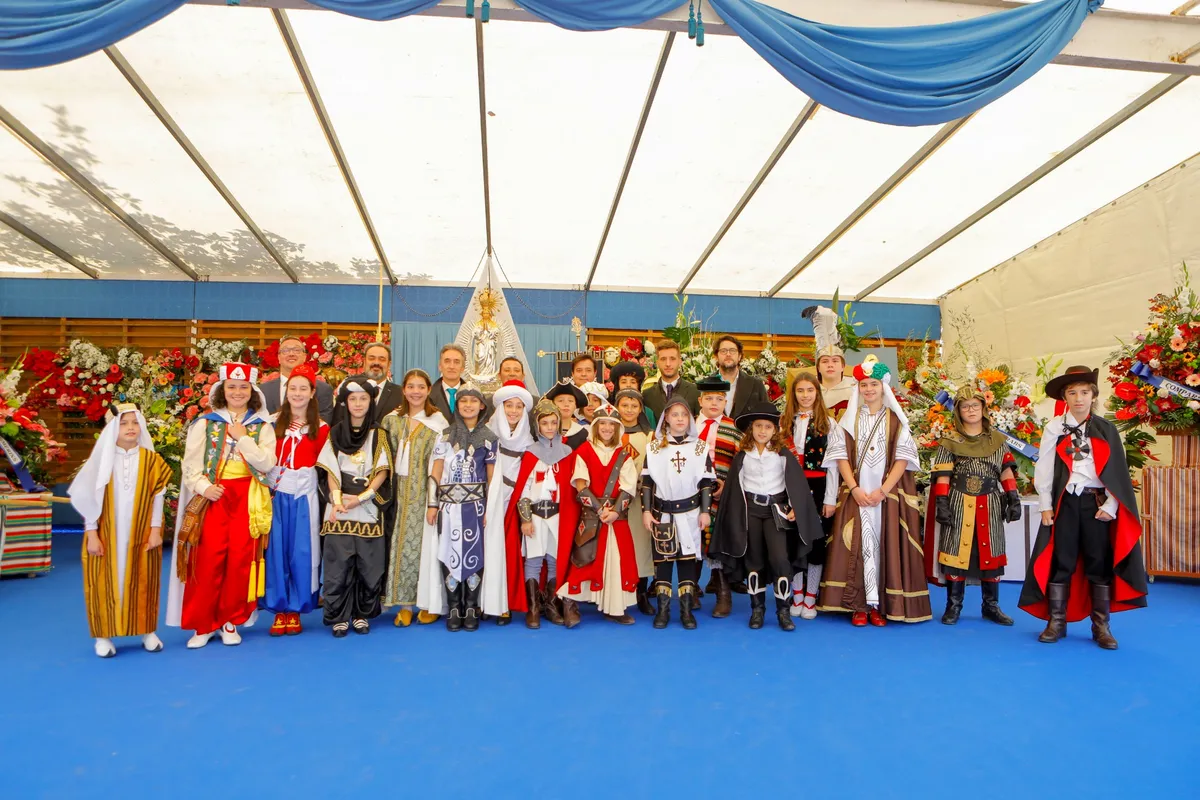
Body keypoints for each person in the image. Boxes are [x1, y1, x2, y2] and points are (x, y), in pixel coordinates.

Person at [1019, 366, 1147, 650]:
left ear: (1093, 395)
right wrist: (1045, 504)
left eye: (1085, 392)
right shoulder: (1054, 428)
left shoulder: (1106, 429)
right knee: (1061, 560)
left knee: (1098, 562)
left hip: (1095, 504)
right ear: (1064, 396)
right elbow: (1045, 468)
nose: (1079, 398)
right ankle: (1057, 621)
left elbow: (1117, 471)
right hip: (1065, 503)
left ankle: (1101, 625)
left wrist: (1111, 505)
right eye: (1073, 392)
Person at [167, 362, 277, 648]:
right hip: (214, 498)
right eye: (232, 387)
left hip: (247, 500)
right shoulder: (205, 423)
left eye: (243, 387)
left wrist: (243, 439)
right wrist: (205, 487)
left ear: (252, 391)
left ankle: (230, 621)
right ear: (222, 390)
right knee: (207, 560)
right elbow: (190, 465)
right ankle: (203, 624)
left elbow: (267, 463)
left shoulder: (262, 426)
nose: (238, 392)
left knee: (239, 561)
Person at [819, 356, 931, 626]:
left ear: (883, 387)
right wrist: (855, 489)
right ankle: (858, 605)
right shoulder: (848, 420)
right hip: (857, 495)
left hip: (885, 497)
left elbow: (903, 459)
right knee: (859, 545)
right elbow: (840, 457)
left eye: (874, 384)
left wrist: (882, 491)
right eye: (864, 385)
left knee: (884, 546)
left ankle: (879, 605)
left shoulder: (896, 421)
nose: (868, 389)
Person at [70, 404, 172, 658]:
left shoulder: (153, 461)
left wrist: (156, 530)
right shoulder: (101, 461)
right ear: (113, 428)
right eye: (124, 423)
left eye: (135, 423)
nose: (130, 428)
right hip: (106, 532)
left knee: (145, 579)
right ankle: (103, 636)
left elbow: (158, 498)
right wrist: (92, 533)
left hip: (142, 532)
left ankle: (148, 631)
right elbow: (89, 500)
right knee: (102, 581)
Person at [710, 402, 820, 631]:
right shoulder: (742, 457)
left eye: (768, 427)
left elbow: (796, 484)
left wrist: (795, 506)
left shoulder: (782, 455)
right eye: (758, 426)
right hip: (750, 511)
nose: (762, 431)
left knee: (780, 559)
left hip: (775, 512)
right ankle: (757, 609)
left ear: (775, 430)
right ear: (751, 428)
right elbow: (734, 489)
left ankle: (783, 611)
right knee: (754, 561)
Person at [926, 387, 1022, 626]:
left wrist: (1013, 497)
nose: (971, 410)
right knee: (955, 552)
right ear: (958, 411)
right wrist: (942, 503)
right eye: (965, 406)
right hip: (959, 502)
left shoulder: (997, 440)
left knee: (991, 552)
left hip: (990, 502)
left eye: (975, 406)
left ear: (983, 409)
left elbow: (1006, 471)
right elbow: (943, 475)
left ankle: (991, 607)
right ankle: (953, 606)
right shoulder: (949, 441)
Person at [317, 377, 393, 637]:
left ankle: (361, 614)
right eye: (353, 399)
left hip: (367, 505)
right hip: (340, 506)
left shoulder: (378, 434)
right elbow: (330, 470)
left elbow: (382, 470)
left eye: (363, 399)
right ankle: (339, 615)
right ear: (345, 403)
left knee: (369, 565)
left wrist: (362, 497)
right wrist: (338, 500)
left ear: (371, 402)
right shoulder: (335, 432)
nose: (358, 404)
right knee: (338, 566)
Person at [557, 405, 640, 627]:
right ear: (595, 426)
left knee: (618, 562)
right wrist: (601, 510)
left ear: (618, 428)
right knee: (585, 561)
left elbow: (629, 487)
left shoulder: (624, 455)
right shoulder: (584, 451)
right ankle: (569, 603)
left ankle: (614, 607)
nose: (607, 428)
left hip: (616, 519)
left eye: (612, 424)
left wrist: (615, 512)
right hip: (592, 518)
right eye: (602, 423)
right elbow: (580, 486)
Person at [641, 395, 717, 630]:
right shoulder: (654, 447)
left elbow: (706, 482)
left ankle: (686, 611)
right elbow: (647, 483)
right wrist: (646, 511)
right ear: (666, 418)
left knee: (686, 560)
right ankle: (663, 611)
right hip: (663, 512)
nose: (680, 419)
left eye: (684, 415)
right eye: (675, 415)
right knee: (664, 561)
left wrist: (705, 512)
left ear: (690, 419)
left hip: (690, 512)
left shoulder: (700, 447)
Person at [381, 369, 449, 627]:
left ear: (429, 390)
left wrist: (433, 500)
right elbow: (382, 457)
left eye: (421, 387)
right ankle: (404, 605)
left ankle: (429, 603)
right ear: (404, 389)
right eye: (411, 386)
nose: (416, 392)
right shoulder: (391, 420)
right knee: (398, 548)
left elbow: (440, 463)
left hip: (423, 494)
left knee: (426, 548)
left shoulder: (437, 423)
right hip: (395, 495)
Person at [427, 384, 497, 632]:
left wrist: (489, 508)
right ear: (457, 405)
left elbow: (491, 478)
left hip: (475, 506)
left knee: (475, 552)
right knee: (449, 550)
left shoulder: (489, 438)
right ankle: (454, 606)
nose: (468, 405)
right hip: (448, 506)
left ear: (482, 406)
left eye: (473, 401)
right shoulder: (445, 435)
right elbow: (436, 472)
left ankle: (471, 606)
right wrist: (432, 503)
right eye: (463, 401)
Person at [264, 363, 328, 637]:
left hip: (305, 497)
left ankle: (297, 607)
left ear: (312, 392)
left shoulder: (322, 428)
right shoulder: (270, 423)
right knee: (276, 551)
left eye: (304, 388)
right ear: (286, 391)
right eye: (293, 388)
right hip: (276, 496)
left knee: (302, 551)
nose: (298, 393)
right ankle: (279, 608)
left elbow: (326, 466)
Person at [504, 399, 577, 628]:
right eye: (545, 423)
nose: (549, 427)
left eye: (554, 423)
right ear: (537, 425)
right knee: (534, 560)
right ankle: (533, 608)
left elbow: (570, 489)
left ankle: (552, 605)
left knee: (554, 560)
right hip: (535, 515)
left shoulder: (567, 452)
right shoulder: (530, 453)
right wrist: (525, 519)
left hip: (557, 515)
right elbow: (523, 489)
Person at [779, 372, 839, 620]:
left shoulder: (829, 424)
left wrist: (830, 499)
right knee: (793, 542)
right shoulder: (784, 423)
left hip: (819, 488)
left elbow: (834, 464)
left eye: (810, 390)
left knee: (815, 543)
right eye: (800, 391)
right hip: (790, 488)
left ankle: (811, 595)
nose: (805, 395)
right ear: (793, 394)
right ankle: (797, 593)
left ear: (817, 393)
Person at [481, 380, 535, 626]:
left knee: (507, 555)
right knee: (483, 553)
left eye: (518, 406)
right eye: (508, 405)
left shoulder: (528, 442)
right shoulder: (485, 435)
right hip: (486, 503)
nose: (513, 411)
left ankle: (503, 603)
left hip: (512, 506)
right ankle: (481, 602)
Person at [693, 374, 742, 617]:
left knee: (716, 541)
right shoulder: (689, 425)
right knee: (692, 539)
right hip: (690, 493)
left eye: (719, 399)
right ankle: (690, 589)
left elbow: (741, 464)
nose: (714, 403)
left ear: (726, 402)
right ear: (700, 400)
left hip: (720, 494)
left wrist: (727, 485)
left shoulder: (733, 429)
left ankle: (723, 593)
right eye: (709, 398)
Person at [615, 388, 655, 615]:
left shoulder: (649, 437)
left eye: (634, 406)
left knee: (641, 546)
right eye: (624, 405)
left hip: (640, 499)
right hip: (615, 500)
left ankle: (641, 591)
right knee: (616, 546)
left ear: (641, 409)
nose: (629, 410)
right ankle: (617, 592)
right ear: (617, 407)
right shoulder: (610, 432)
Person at [261, 335, 334, 421]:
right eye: (285, 350)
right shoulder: (263, 390)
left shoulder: (323, 389)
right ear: (279, 357)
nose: (291, 354)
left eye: (296, 350)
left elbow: (324, 423)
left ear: (304, 357)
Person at [804, 305, 856, 421]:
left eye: (835, 361)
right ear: (818, 367)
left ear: (843, 366)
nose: (830, 365)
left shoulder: (855, 391)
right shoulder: (807, 391)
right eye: (825, 361)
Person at [642, 340, 700, 419]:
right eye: (663, 359)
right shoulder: (647, 395)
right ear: (657, 362)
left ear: (680, 362)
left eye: (672, 359)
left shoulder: (695, 392)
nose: (668, 364)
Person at [713, 335, 767, 420]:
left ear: (739, 356)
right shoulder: (705, 385)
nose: (728, 354)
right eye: (723, 351)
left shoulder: (756, 385)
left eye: (732, 351)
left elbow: (766, 418)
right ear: (716, 356)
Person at [362, 341, 404, 421]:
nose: (376, 363)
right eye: (371, 358)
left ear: (389, 364)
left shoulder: (401, 394)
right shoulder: (351, 390)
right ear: (364, 362)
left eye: (382, 359)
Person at [545, 380, 589, 449]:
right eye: (560, 400)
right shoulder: (544, 430)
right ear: (552, 405)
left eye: (570, 401)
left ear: (575, 406)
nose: (566, 404)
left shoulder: (582, 433)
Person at [611, 360, 655, 427]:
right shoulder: (609, 410)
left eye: (633, 382)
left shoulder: (648, 413)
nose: (628, 385)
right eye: (624, 382)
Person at [430, 343, 468, 421]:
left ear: (463, 368)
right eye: (447, 361)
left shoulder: (474, 395)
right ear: (440, 366)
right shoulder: (427, 396)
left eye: (456, 362)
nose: (451, 366)